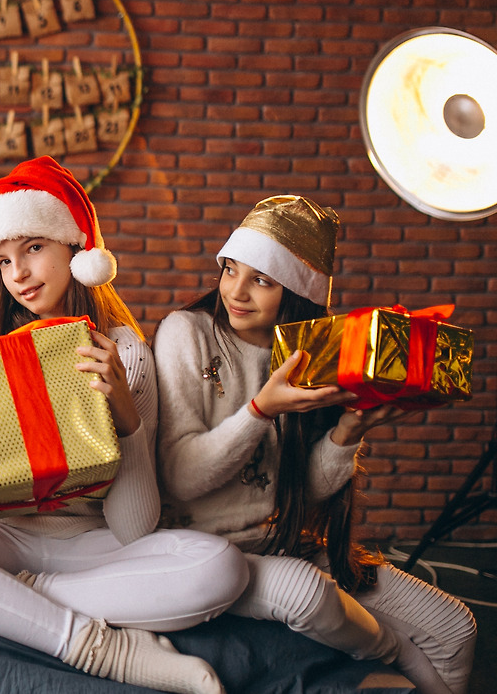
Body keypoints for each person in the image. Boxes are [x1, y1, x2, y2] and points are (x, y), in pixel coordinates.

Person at [0, 157, 249, 694]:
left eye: (34, 248)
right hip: (6, 537)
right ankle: (102, 648)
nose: (18, 273)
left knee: (220, 568)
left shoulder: (127, 354)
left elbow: (135, 529)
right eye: (2, 260)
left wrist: (126, 415)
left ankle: (3, 598)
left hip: (98, 549)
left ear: (78, 250)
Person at [154, 194, 477, 694]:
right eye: (230, 269)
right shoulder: (187, 332)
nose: (236, 291)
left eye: (261, 280)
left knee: (456, 629)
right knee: (380, 641)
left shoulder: (313, 352)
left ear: (296, 292)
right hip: (214, 555)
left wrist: (349, 432)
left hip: (289, 544)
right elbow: (180, 477)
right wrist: (263, 409)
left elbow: (302, 490)